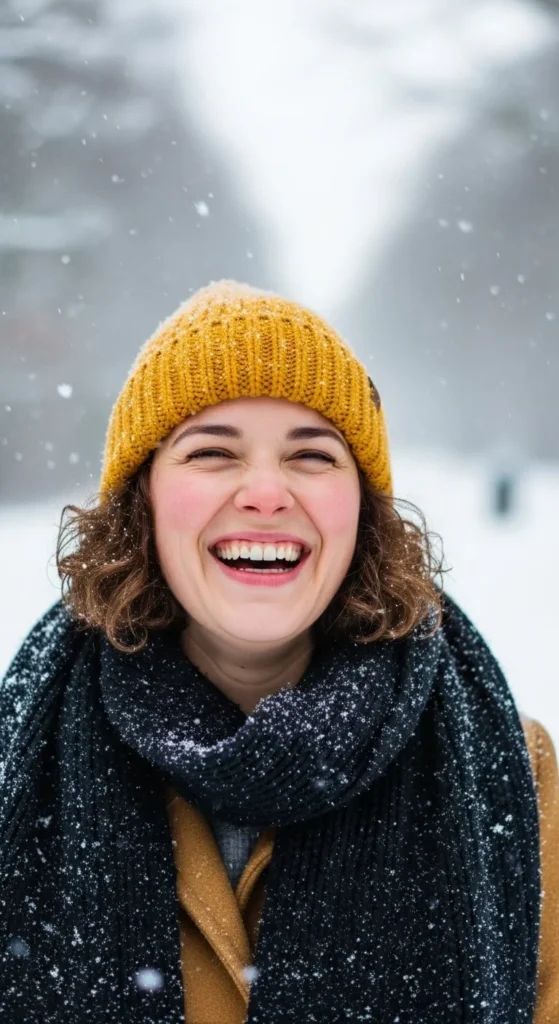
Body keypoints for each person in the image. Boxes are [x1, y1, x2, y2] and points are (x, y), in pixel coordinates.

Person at [0, 280, 557, 1024]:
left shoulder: (515, 775)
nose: (265, 493)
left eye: (312, 456)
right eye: (211, 452)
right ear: (143, 501)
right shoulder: (17, 759)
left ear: (362, 510)